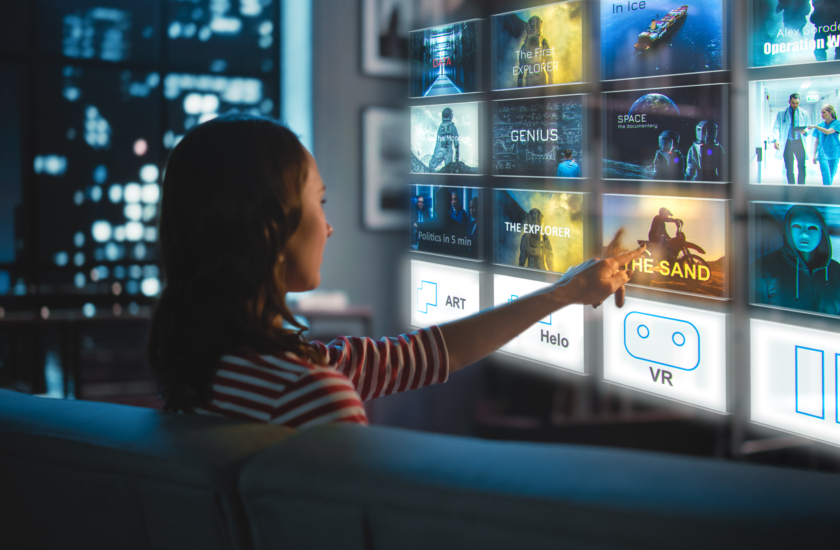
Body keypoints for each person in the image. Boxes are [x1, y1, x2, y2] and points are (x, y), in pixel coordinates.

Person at [149, 113, 646, 426]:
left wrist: (562, 292)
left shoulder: (205, 371)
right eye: (320, 202)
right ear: (270, 230)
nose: (329, 227)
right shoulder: (313, 396)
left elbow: (422, 355)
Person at [754, 205, 840, 317]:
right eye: (797, 227)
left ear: (822, 232)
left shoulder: (837, 272)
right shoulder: (763, 267)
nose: (804, 234)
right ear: (787, 230)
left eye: (812, 228)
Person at [771, 93, 812, 184]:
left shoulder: (804, 113)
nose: (795, 105)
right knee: (789, 167)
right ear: (789, 101)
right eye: (793, 103)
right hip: (788, 143)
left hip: (799, 142)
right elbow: (776, 127)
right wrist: (776, 140)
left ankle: (801, 186)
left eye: (797, 103)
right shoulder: (782, 113)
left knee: (802, 166)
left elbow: (809, 127)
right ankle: (792, 186)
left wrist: (805, 131)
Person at [810, 104, 840, 185]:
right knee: (826, 176)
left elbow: (828, 131)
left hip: (834, 152)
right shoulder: (820, 125)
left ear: (830, 112)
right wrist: (814, 155)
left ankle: (827, 192)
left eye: (824, 112)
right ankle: (826, 194)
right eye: (821, 113)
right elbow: (816, 142)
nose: (822, 115)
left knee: (831, 176)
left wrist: (815, 126)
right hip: (822, 153)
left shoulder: (837, 123)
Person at [517, 15, 552, 88]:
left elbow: (548, 60)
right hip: (533, 76)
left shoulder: (542, 42)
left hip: (536, 76)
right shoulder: (540, 42)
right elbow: (548, 60)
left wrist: (520, 80)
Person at [428, 107, 459, 171]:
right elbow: (456, 142)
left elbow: (438, 142)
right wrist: (457, 155)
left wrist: (435, 154)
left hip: (441, 150)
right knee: (449, 168)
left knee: (432, 164)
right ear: (451, 116)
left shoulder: (441, 127)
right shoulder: (452, 127)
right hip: (448, 151)